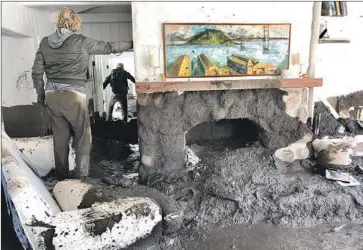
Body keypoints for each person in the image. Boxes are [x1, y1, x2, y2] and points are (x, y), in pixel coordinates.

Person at [31, 7, 133, 180]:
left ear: (58, 22)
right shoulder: (81, 41)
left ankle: (62, 178)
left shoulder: (44, 43)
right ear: (76, 23)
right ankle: (81, 176)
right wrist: (131, 44)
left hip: (52, 96)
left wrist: (41, 97)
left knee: (60, 137)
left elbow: (36, 72)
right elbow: (108, 47)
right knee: (83, 136)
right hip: (74, 95)